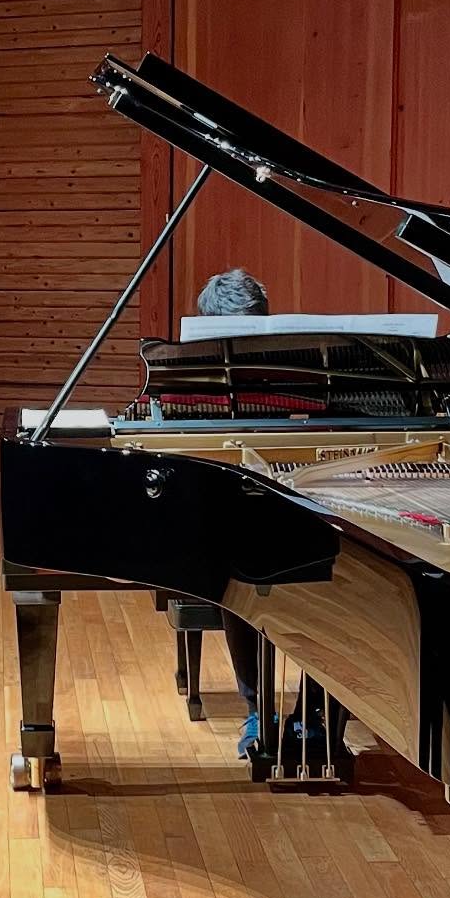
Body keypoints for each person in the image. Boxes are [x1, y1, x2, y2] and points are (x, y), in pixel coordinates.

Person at [192, 269, 321, 756]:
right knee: (233, 578)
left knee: (346, 590)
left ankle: (315, 714)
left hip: (304, 497)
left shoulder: (302, 368)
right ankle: (257, 709)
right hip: (226, 506)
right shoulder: (190, 379)